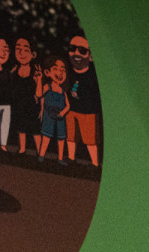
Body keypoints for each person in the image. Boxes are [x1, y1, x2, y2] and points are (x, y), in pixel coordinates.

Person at [66, 34, 101, 167]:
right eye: (72, 48)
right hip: (70, 110)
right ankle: (71, 158)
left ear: (90, 55)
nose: (76, 53)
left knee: (89, 139)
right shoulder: (67, 72)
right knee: (70, 136)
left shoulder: (93, 76)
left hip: (87, 112)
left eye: (82, 50)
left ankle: (94, 163)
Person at [9, 37, 42, 155]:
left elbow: (39, 94)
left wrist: (39, 80)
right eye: (18, 49)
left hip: (32, 106)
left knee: (35, 130)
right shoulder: (14, 70)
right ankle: (22, 149)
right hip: (19, 106)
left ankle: (40, 151)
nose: (21, 53)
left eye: (25, 50)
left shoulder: (35, 72)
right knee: (21, 128)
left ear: (33, 54)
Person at [37, 55, 71, 164]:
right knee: (46, 136)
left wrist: (62, 113)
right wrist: (39, 80)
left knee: (61, 138)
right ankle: (41, 156)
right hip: (48, 116)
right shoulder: (47, 87)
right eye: (56, 69)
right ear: (47, 72)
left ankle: (60, 158)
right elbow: (39, 94)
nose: (60, 72)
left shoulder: (62, 91)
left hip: (60, 117)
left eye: (63, 70)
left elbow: (68, 105)